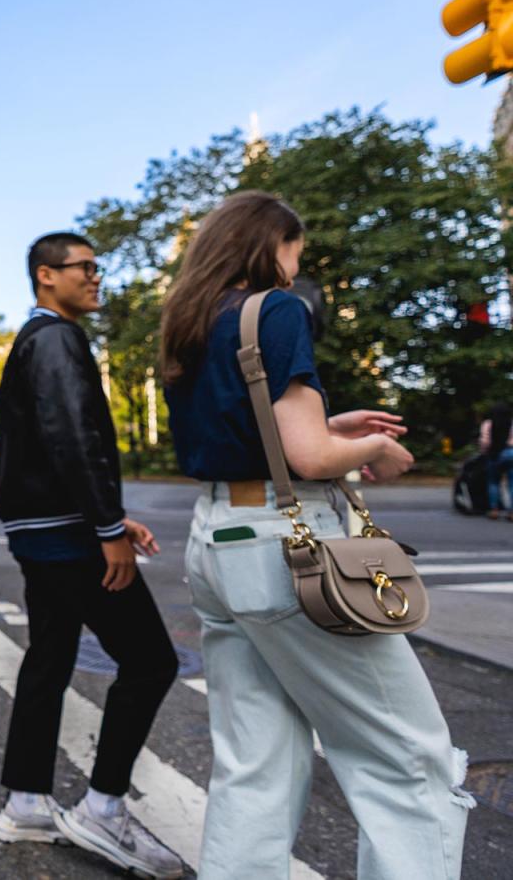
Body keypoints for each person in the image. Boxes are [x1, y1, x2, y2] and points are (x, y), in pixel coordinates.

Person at [161, 191, 470, 878]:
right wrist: (370, 453)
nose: (297, 269)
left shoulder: (190, 318)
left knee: (255, 762)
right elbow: (305, 459)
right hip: (284, 543)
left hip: (218, 540)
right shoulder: (277, 309)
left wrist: (336, 427)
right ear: (271, 246)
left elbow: (248, 437)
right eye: (295, 253)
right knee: (407, 760)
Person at [0, 231, 183, 879]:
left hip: (45, 533)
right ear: (47, 275)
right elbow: (70, 433)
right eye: (85, 268)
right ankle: (102, 807)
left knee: (49, 658)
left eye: (100, 267)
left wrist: (109, 516)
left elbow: (51, 443)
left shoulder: (37, 339)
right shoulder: (54, 339)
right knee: (152, 661)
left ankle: (25, 802)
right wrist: (105, 527)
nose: (97, 278)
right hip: (70, 537)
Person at [480, 402, 513, 520]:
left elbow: (485, 442)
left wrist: (484, 452)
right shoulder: (511, 423)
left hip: (494, 454)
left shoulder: (488, 424)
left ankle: (494, 510)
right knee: (511, 484)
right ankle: (511, 512)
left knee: (493, 482)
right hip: (510, 453)